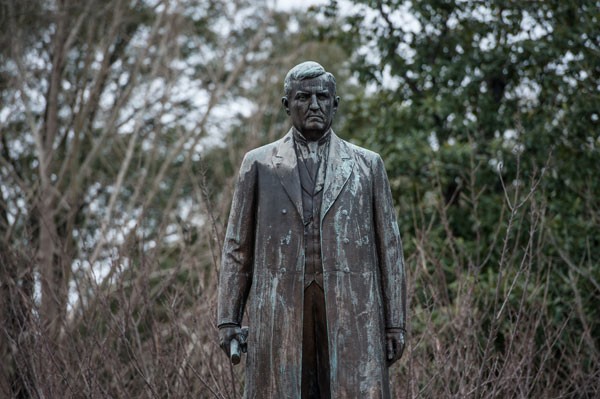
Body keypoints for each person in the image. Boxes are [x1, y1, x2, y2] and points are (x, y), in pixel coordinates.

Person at [217, 61, 406, 398]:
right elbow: (237, 247)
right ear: (287, 104)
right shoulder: (258, 164)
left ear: (335, 103)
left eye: (323, 97)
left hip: (353, 310)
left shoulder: (368, 165)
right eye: (304, 97)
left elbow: (389, 249)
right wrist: (228, 318)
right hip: (279, 310)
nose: (314, 105)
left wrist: (395, 323)